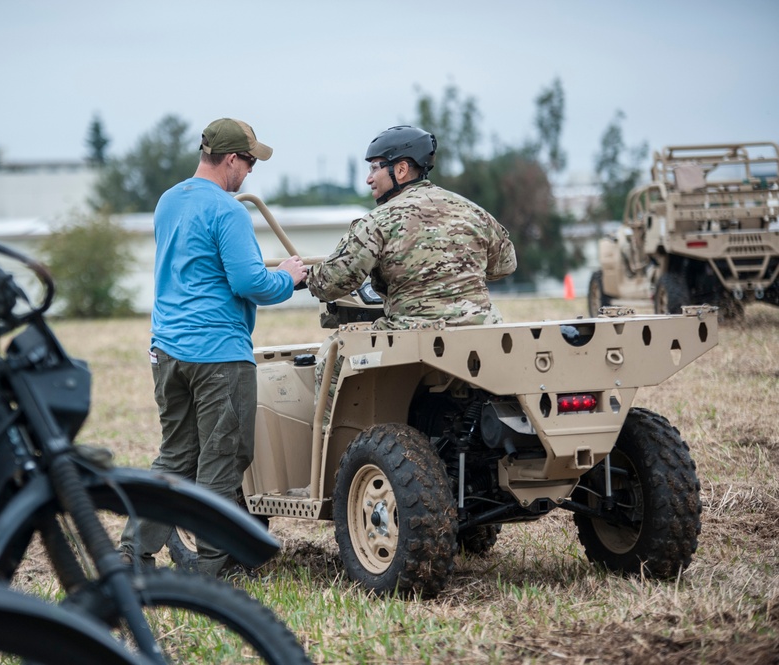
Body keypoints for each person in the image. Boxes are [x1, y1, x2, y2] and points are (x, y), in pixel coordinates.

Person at [119, 118, 308, 577]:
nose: (249, 173)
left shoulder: (168, 201)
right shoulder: (228, 211)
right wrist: (289, 277)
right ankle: (212, 569)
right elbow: (249, 281)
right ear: (228, 160)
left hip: (167, 351)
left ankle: (132, 554)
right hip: (218, 354)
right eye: (248, 162)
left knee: (175, 456)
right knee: (223, 462)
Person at [306, 125, 517, 421]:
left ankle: (332, 454)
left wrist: (305, 277)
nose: (368, 178)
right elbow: (505, 265)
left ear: (401, 169)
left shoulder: (378, 221)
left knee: (331, 358)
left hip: (412, 335)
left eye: (375, 168)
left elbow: (334, 281)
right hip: (482, 333)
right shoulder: (473, 211)